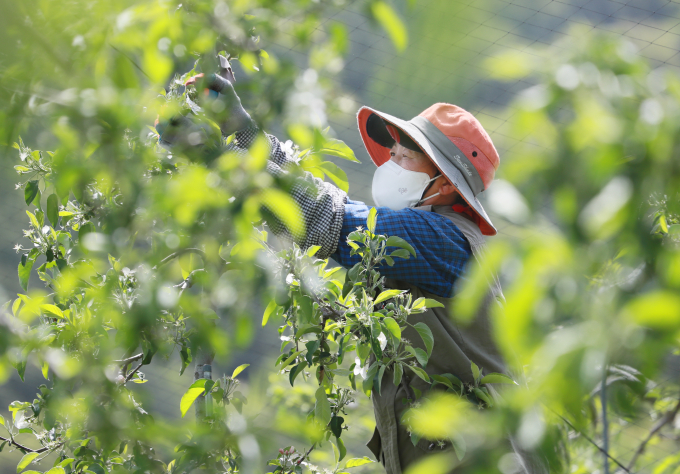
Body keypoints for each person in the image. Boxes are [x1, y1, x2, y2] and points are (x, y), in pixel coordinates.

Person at [159, 60, 548, 474]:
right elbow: (319, 204)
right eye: (392, 154)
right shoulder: (432, 240)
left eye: (405, 157)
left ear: (446, 185)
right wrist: (243, 132)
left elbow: (328, 217)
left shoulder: (443, 240)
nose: (391, 165)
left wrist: (221, 157)